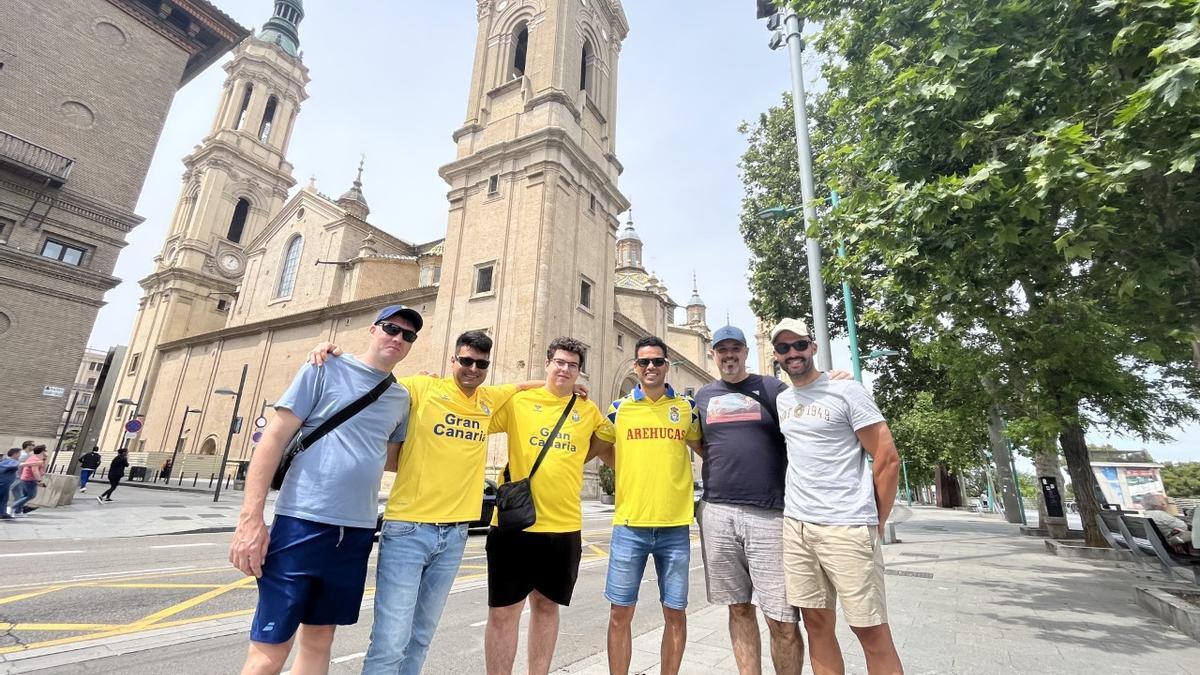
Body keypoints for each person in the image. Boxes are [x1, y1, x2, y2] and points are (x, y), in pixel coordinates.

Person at [307, 330, 546, 675]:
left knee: (420, 637)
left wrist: (570, 387)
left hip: (454, 537)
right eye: (465, 361)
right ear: (453, 361)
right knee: (390, 641)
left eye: (481, 364)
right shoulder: (422, 388)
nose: (472, 369)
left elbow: (525, 387)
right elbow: (371, 380)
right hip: (408, 530)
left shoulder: (488, 399)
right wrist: (332, 355)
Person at [229, 304, 420, 675]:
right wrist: (250, 520)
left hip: (357, 533)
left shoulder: (400, 398)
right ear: (372, 329)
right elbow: (273, 438)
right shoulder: (323, 367)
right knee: (271, 647)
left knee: (320, 638)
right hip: (302, 523)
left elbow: (392, 458)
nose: (397, 338)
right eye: (390, 328)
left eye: (407, 335)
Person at [771, 318, 904, 675]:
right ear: (776, 356)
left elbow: (888, 458)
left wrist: (877, 519)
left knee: (870, 630)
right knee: (816, 625)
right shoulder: (783, 400)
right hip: (797, 527)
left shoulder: (848, 391)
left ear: (813, 347)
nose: (793, 353)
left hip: (847, 527)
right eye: (784, 348)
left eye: (799, 345)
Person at [483, 337, 609, 675]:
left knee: (547, 607)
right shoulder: (519, 402)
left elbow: (608, 441)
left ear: (580, 371)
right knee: (503, 611)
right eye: (559, 362)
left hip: (564, 528)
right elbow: (477, 405)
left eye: (573, 365)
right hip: (515, 525)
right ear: (547, 363)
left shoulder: (588, 410)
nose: (565, 369)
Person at [694, 325, 804, 675]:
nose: (728, 355)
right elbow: (696, 442)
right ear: (713, 354)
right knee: (738, 608)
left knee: (782, 618)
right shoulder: (702, 397)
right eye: (721, 349)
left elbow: (807, 405)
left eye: (735, 349)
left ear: (745, 352)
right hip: (718, 513)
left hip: (769, 515)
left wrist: (836, 379)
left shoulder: (771, 388)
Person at [590, 336, 703, 675]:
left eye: (657, 361)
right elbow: (599, 449)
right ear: (635, 367)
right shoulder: (619, 409)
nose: (650, 367)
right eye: (644, 362)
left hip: (674, 528)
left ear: (667, 365)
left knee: (675, 613)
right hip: (629, 526)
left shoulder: (686, 408)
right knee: (619, 614)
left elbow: (708, 452)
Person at [10, 445, 47, 516]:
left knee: (24, 496)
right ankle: (12, 507)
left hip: (26, 479)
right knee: (31, 495)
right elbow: (35, 471)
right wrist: (39, 481)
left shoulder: (34, 458)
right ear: (42, 451)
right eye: (45, 451)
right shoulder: (36, 460)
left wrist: (44, 460)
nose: (46, 452)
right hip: (30, 480)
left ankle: (18, 512)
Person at [0, 449, 22, 520]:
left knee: (4, 498)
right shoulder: (8, 461)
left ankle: (3, 513)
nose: (20, 455)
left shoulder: (8, 461)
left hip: (6, 484)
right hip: (3, 483)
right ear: (15, 454)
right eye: (19, 453)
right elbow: (13, 465)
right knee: (2, 498)